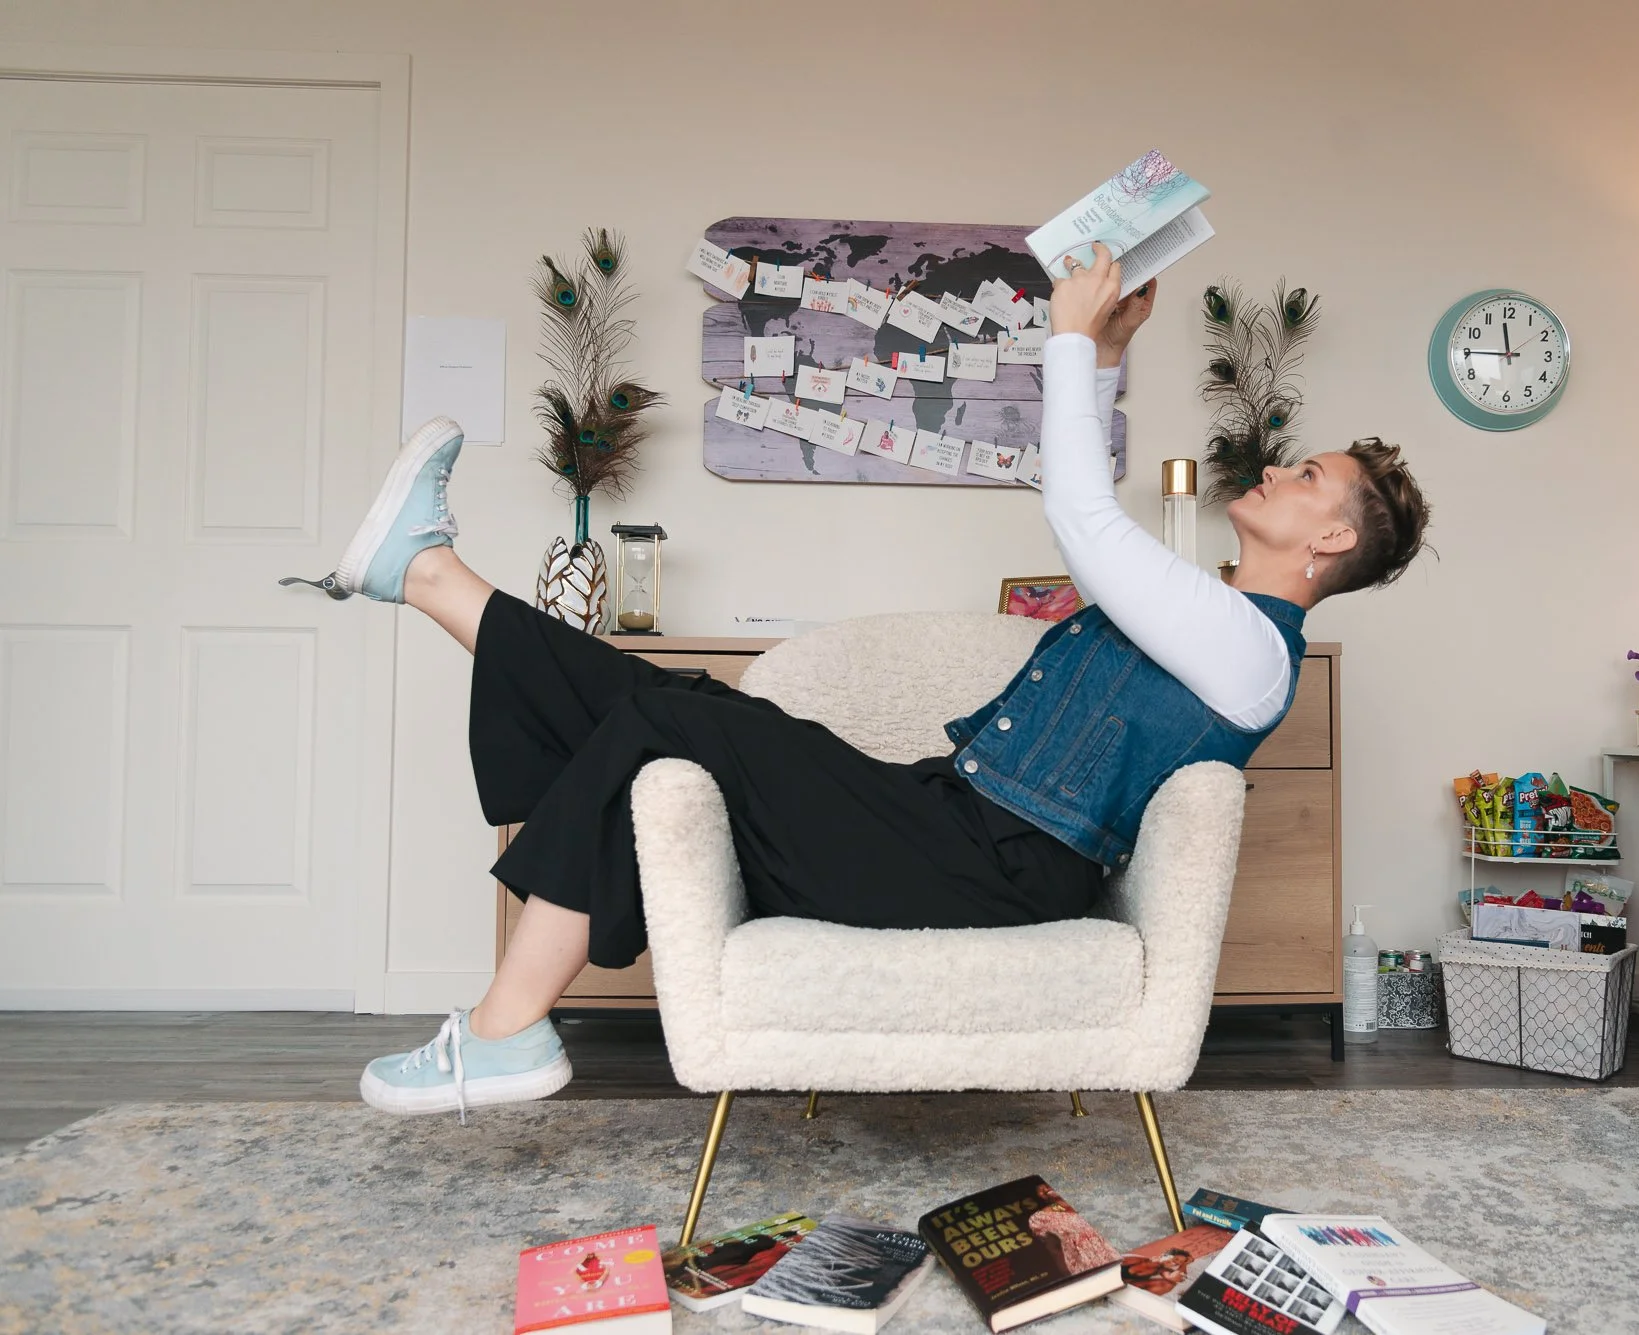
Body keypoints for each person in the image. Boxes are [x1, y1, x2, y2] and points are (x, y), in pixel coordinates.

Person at [336, 242, 1431, 1118]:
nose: (1281, 470)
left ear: (1332, 536)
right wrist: (1100, 358)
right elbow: (1101, 527)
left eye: (1307, 475)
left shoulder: (1249, 649)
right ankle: (427, 574)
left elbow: (1083, 521)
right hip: (944, 822)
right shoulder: (1210, 616)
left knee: (666, 721)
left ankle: (501, 1034)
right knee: (692, 706)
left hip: (990, 871)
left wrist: (1064, 341)